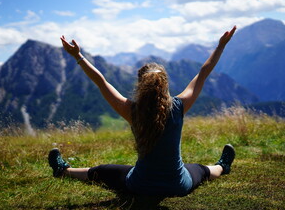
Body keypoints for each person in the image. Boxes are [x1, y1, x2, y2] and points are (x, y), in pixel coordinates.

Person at [49, 26, 237, 198]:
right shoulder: (179, 107)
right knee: (201, 169)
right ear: (165, 85)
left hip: (140, 185)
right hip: (177, 186)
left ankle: (63, 171)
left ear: (140, 86)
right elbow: (203, 73)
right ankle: (222, 166)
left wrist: (78, 56)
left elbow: (101, 82)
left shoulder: (132, 111)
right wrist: (221, 46)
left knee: (105, 171)